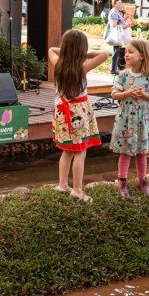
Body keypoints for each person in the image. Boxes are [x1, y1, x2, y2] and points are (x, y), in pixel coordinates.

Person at [48, 29, 108, 203]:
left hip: (61, 112)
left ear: (64, 47)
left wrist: (66, 51)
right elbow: (104, 54)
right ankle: (77, 190)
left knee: (67, 150)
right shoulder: (83, 66)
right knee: (80, 151)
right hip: (78, 113)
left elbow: (51, 49)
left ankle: (62, 184)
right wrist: (85, 53)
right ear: (82, 49)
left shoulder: (57, 62)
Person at [110, 39, 149, 197]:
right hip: (126, 119)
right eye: (126, 51)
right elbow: (113, 94)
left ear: (142, 56)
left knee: (142, 152)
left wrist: (144, 95)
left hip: (143, 120)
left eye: (131, 52)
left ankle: (142, 181)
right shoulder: (123, 75)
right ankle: (122, 183)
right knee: (125, 152)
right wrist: (127, 93)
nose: (126, 54)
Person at [107, 0, 132, 74]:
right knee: (116, 52)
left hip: (118, 34)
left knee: (116, 51)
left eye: (121, 3)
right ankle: (113, 69)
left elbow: (118, 23)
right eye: (119, 3)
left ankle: (113, 68)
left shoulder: (116, 12)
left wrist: (124, 22)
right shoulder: (114, 13)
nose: (121, 4)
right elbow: (114, 25)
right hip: (117, 34)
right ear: (114, 4)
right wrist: (125, 25)